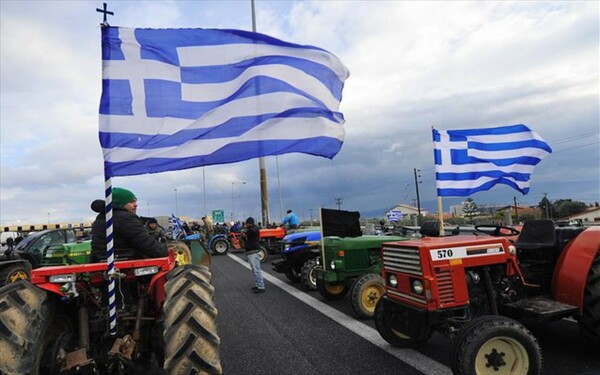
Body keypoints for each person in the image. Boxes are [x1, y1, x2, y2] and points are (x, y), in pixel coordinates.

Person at [91, 187, 168, 262]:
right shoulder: (126, 218)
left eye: (135, 201)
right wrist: (165, 253)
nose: (135, 205)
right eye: (131, 201)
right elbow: (145, 243)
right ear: (120, 203)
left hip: (102, 260)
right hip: (126, 261)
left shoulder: (101, 217)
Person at [242, 217, 265, 294]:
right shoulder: (250, 229)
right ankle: (258, 285)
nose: (246, 224)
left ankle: (261, 287)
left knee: (257, 270)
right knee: (255, 270)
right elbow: (244, 237)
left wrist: (245, 233)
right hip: (251, 252)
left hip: (254, 252)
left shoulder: (254, 229)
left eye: (247, 223)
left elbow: (249, 232)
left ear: (250, 223)